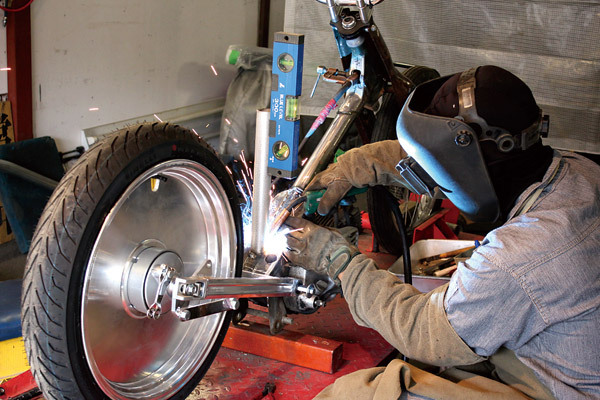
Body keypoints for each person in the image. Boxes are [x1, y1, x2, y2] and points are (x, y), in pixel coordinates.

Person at [283, 65, 600, 399]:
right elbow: (458, 167)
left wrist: (341, 263)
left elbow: (422, 332)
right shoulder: (575, 171)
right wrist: (362, 164)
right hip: (558, 349)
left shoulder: (519, 256)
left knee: (357, 394)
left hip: (563, 391)